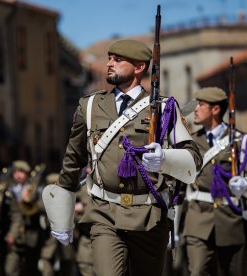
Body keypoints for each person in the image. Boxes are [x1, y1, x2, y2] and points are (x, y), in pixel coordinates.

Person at [43, 39, 202, 276]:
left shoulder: (165, 108)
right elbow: (73, 160)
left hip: (149, 216)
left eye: (117, 60)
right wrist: (61, 216)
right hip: (104, 213)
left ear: (139, 67)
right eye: (109, 58)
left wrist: (165, 158)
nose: (109, 64)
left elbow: (193, 159)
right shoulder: (90, 106)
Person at [183, 87, 247, 276]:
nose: (195, 109)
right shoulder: (190, 142)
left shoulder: (242, 141)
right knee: (197, 271)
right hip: (198, 218)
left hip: (232, 220)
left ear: (215, 110)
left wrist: (246, 185)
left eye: (201, 105)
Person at [5, 160, 46, 276]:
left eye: (21, 172)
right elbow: (13, 214)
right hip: (16, 237)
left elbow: (44, 207)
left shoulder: (36, 188)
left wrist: (30, 200)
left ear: (27, 174)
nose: (18, 175)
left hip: (32, 237)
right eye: (15, 172)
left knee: (31, 270)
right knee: (10, 270)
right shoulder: (9, 189)